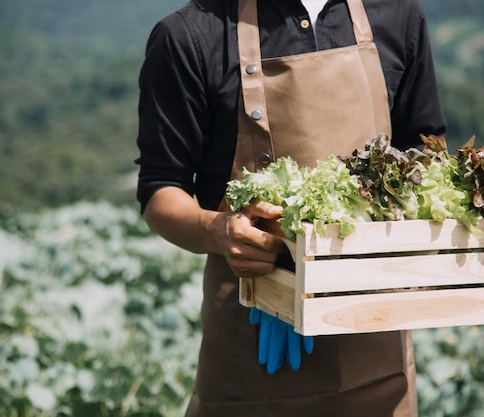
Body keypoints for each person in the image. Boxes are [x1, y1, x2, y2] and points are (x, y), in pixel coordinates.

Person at [135, 0, 446, 415]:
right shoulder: (189, 35)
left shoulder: (397, 14)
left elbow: (426, 154)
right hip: (252, 345)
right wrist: (218, 230)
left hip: (376, 346)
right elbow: (161, 189)